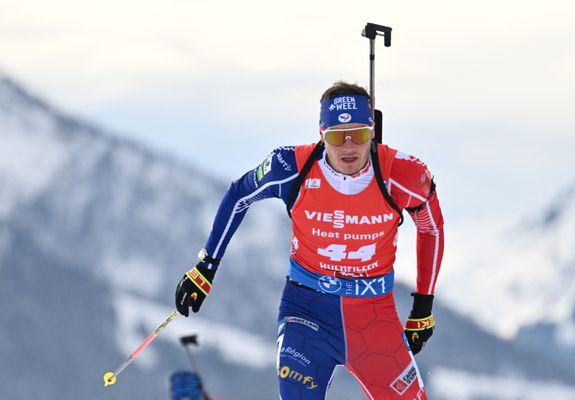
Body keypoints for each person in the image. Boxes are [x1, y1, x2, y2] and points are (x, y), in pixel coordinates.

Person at [175, 81, 445, 399]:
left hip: (374, 319)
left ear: (373, 130)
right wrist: (206, 267)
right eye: (336, 136)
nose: (348, 147)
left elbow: (432, 229)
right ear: (321, 133)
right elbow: (239, 194)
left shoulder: (402, 174)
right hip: (307, 313)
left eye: (357, 134)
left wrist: (423, 306)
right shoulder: (292, 167)